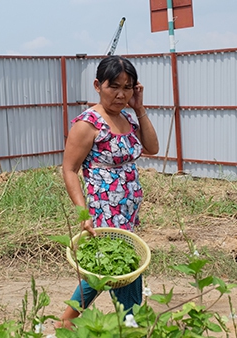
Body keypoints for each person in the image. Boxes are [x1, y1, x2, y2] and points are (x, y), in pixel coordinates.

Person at [55, 55, 159, 329]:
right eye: (114, 86)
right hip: (104, 210)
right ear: (97, 85)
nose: (121, 94)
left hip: (127, 212)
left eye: (128, 87)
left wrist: (140, 109)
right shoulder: (88, 124)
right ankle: (130, 324)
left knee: (107, 268)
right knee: (122, 267)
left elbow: (152, 147)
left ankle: (67, 323)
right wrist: (83, 213)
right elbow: (69, 169)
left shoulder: (127, 117)